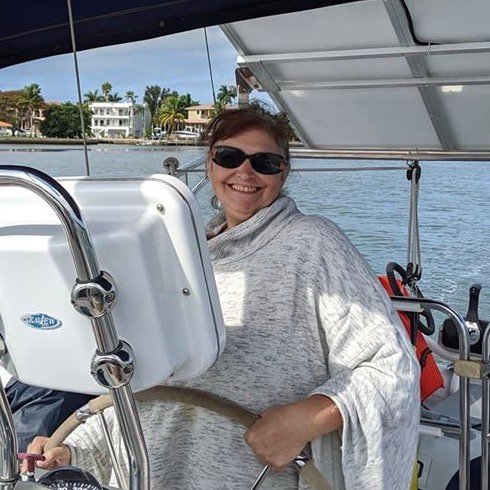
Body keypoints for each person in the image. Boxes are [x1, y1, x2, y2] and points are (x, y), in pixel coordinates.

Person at [27, 104, 420, 489]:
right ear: (210, 164)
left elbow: (391, 368)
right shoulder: (181, 252)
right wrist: (77, 448)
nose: (245, 172)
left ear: (284, 174)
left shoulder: (315, 244)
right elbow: (148, 378)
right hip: (162, 470)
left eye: (264, 162)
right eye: (229, 156)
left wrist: (306, 419)